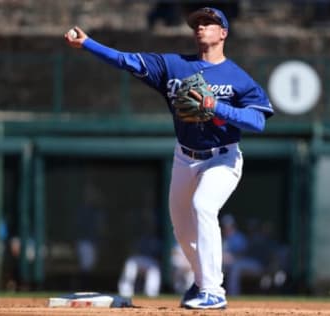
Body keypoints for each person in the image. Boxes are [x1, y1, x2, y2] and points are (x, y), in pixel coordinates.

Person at [65, 7, 273, 309]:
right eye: (197, 23)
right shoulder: (173, 66)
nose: (201, 27)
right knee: (182, 228)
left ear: (223, 33)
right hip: (185, 157)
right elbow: (126, 61)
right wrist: (88, 43)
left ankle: (214, 291)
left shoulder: (238, 78)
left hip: (223, 158)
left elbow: (258, 122)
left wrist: (217, 107)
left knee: (203, 205)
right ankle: (201, 281)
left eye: (209, 23)